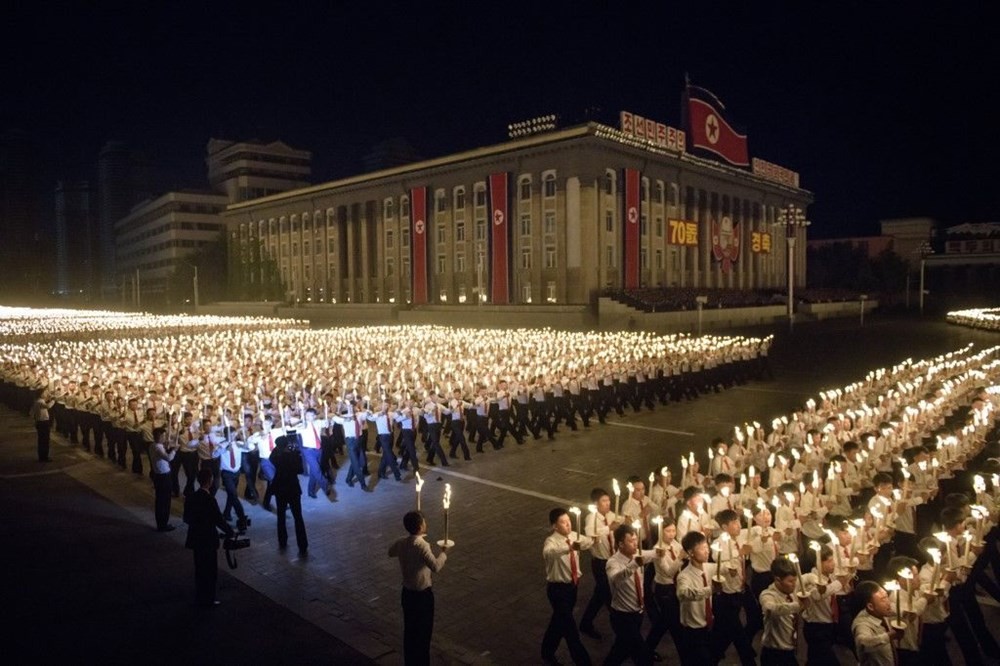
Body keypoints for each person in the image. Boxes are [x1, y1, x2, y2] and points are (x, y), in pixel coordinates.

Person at [388, 510, 448, 666]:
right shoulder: (422, 545)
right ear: (420, 526)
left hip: (407, 594)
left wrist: (405, 544)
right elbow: (435, 566)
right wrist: (444, 553)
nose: (426, 524)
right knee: (423, 633)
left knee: (410, 632)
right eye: (424, 522)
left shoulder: (402, 542)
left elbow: (390, 552)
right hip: (422, 597)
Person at [542, 507, 594, 666]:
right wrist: (570, 547)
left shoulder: (573, 536)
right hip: (558, 591)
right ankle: (583, 662)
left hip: (572, 588)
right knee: (570, 630)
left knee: (559, 622)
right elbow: (550, 552)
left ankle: (546, 652)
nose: (568, 525)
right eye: (563, 523)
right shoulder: (551, 541)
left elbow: (587, 542)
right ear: (554, 526)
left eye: (569, 521)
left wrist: (598, 535)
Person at [603, 523, 656, 666]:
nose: (635, 544)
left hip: (637, 614)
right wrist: (634, 564)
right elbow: (616, 578)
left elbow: (654, 553)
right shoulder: (613, 562)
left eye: (636, 539)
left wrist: (663, 550)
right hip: (622, 617)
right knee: (643, 656)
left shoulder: (637, 555)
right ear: (620, 544)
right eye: (631, 541)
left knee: (620, 650)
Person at [183, 467, 234, 607]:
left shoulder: (191, 497)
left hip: (195, 537)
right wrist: (230, 532)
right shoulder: (210, 499)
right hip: (208, 538)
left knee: (199, 568)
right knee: (210, 570)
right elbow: (219, 519)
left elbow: (186, 518)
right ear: (210, 481)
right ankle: (209, 598)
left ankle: (200, 595)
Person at [580, 488, 620, 639]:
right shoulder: (592, 518)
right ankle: (621, 631)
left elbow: (620, 521)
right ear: (596, 503)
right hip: (600, 563)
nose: (608, 503)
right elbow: (590, 533)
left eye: (609, 500)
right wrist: (609, 528)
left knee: (599, 595)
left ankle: (585, 623)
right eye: (604, 501)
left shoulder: (611, 515)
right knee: (609, 597)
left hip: (612, 560)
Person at [675, 530, 717, 665]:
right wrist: (709, 590)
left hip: (708, 627)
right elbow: (683, 593)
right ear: (690, 552)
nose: (707, 551)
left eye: (707, 547)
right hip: (692, 632)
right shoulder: (684, 576)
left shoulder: (708, 568)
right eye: (702, 548)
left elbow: (724, 568)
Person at [758, 556, 807, 665]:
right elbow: (771, 609)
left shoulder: (792, 589)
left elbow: (806, 578)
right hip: (774, 654)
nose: (794, 584)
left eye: (795, 580)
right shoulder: (767, 595)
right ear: (778, 580)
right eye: (790, 581)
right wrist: (797, 606)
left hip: (790, 651)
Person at [270, 434, 308, 554]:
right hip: (292, 488)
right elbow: (300, 470)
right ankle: (302, 544)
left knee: (281, 516)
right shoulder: (292, 455)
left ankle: (282, 540)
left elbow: (272, 457)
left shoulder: (276, 455)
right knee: (298, 517)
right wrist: (295, 452)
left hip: (280, 487)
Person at [851, 580, 897, 666]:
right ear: (870, 606)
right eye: (883, 599)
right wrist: (889, 636)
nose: (888, 603)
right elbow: (863, 643)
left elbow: (900, 611)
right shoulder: (862, 623)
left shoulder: (881, 613)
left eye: (887, 596)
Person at [149, 426, 177, 532]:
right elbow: (168, 458)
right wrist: (174, 450)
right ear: (159, 436)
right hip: (163, 477)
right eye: (164, 436)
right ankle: (163, 524)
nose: (165, 438)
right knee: (164, 501)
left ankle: (161, 523)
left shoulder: (153, 445)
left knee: (160, 500)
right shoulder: (158, 447)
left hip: (159, 475)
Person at [30, 390, 53, 462]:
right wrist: (53, 401)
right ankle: (43, 457)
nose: (46, 394)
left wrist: (49, 398)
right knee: (44, 440)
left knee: (43, 440)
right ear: (40, 394)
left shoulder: (40, 401)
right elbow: (48, 406)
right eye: (44, 393)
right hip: (42, 422)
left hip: (42, 422)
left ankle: (43, 456)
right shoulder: (39, 402)